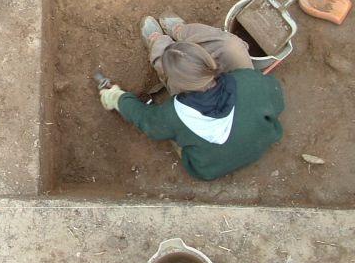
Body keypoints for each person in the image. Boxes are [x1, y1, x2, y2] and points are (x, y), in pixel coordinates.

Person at [98, 12, 284, 181]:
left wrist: (117, 98)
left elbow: (147, 122)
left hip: (209, 167)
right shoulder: (251, 80)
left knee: (179, 134)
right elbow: (277, 104)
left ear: (176, 85)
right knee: (231, 47)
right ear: (210, 62)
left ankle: (159, 44)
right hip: (261, 142)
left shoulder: (174, 114)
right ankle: (181, 32)